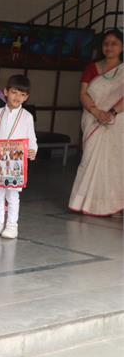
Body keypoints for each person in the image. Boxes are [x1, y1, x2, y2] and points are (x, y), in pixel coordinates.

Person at [69, 28, 123, 216]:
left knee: (114, 163)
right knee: (90, 160)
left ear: (122, 47)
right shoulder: (92, 68)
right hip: (93, 118)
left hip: (117, 120)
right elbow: (83, 93)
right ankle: (85, 203)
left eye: (114, 43)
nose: (109, 47)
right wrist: (96, 112)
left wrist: (111, 113)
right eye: (106, 43)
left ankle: (113, 205)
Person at [0, 75, 37, 239]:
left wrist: (32, 150)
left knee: (12, 195)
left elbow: (32, 139)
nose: (17, 97)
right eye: (14, 92)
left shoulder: (27, 116)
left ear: (26, 97)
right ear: (5, 92)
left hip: (16, 161)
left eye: (22, 95)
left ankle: (12, 226)